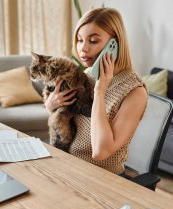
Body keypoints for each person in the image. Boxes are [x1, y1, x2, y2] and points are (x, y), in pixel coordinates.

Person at [44, 8, 148, 175]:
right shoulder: (86, 74)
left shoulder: (135, 92)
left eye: (93, 41)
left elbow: (101, 152)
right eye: (79, 40)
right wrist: (51, 107)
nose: (83, 49)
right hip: (68, 164)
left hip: (101, 176)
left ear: (114, 45)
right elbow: (67, 122)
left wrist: (100, 91)